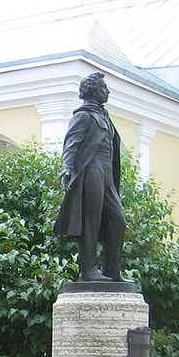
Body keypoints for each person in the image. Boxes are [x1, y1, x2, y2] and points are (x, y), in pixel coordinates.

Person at [54, 71, 131, 283]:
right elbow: (71, 145)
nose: (108, 91)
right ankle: (87, 271)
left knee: (118, 221)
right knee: (92, 220)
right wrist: (67, 169)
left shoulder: (103, 116)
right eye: (104, 87)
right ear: (94, 90)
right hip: (91, 170)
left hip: (107, 172)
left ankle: (111, 271)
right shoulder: (83, 116)